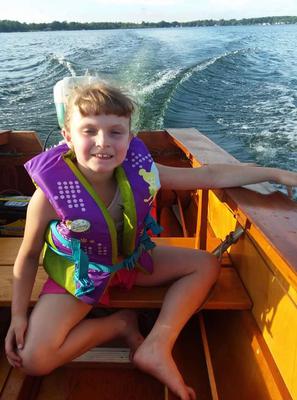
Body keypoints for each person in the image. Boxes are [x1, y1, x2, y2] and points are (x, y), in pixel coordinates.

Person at [5, 82, 297, 400]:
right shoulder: (48, 196)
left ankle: (158, 343)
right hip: (79, 277)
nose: (102, 142)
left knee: (207, 263)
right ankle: (119, 325)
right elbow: (29, 255)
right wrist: (19, 315)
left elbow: (209, 176)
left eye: (115, 132)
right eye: (89, 131)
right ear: (68, 137)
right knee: (33, 360)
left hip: (131, 262)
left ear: (130, 139)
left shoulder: (142, 172)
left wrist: (275, 174)